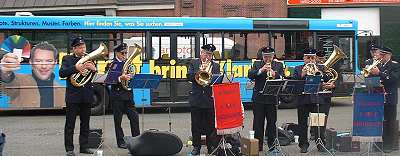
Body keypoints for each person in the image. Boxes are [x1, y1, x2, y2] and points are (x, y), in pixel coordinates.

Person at [293, 48, 335, 153]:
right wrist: (302, 74)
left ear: (316, 58)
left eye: (312, 58)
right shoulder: (298, 68)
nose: (310, 60)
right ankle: (303, 145)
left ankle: (320, 143)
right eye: (308, 58)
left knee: (318, 124)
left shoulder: (321, 68)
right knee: (302, 124)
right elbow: (294, 83)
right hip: (303, 99)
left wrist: (331, 85)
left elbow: (329, 80)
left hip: (318, 99)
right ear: (304, 58)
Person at [59, 36, 96, 156]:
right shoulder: (67, 59)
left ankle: (84, 147)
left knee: (85, 123)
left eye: (83, 47)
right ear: (74, 49)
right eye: (79, 47)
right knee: (70, 124)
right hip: (73, 96)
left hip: (87, 96)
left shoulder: (89, 59)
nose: (82, 49)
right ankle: (69, 149)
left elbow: (92, 77)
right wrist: (75, 68)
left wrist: (94, 69)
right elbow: (62, 73)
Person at [0, 41, 64, 108]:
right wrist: (5, 73)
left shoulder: (62, 90)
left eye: (49, 61)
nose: (44, 66)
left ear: (55, 63)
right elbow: (9, 83)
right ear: (31, 62)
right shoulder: (19, 81)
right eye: (38, 61)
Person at [248, 46, 283, 152]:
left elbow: (282, 77)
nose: (268, 59)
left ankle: (272, 145)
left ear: (273, 56)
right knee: (258, 123)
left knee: (272, 123)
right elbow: (250, 74)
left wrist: (274, 74)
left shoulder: (278, 65)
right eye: (265, 57)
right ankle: (258, 146)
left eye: (270, 57)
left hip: (272, 99)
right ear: (262, 56)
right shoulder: (257, 64)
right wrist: (261, 70)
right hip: (259, 98)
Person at [104, 43, 140, 149]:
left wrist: (131, 77)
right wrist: (121, 78)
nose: (124, 55)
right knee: (118, 120)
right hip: (118, 96)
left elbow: (132, 75)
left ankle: (136, 139)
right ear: (117, 53)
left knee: (134, 117)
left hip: (128, 95)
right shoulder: (113, 64)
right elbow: (109, 80)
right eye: (122, 53)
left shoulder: (128, 63)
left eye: (125, 53)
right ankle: (120, 141)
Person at [187, 44, 220, 155]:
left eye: (210, 54)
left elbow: (218, 80)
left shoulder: (216, 66)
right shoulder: (194, 63)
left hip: (210, 99)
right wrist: (199, 72)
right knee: (195, 125)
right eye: (206, 53)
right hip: (196, 98)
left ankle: (210, 147)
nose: (208, 56)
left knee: (210, 126)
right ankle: (196, 147)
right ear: (201, 53)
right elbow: (189, 76)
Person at [367, 45, 400, 153]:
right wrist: (370, 75)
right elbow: (372, 80)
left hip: (390, 98)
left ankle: (389, 144)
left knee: (389, 122)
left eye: (382, 54)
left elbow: (393, 79)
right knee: (378, 121)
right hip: (377, 97)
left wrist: (379, 73)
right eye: (379, 54)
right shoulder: (377, 65)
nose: (379, 56)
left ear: (388, 55)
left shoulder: (395, 65)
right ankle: (378, 143)